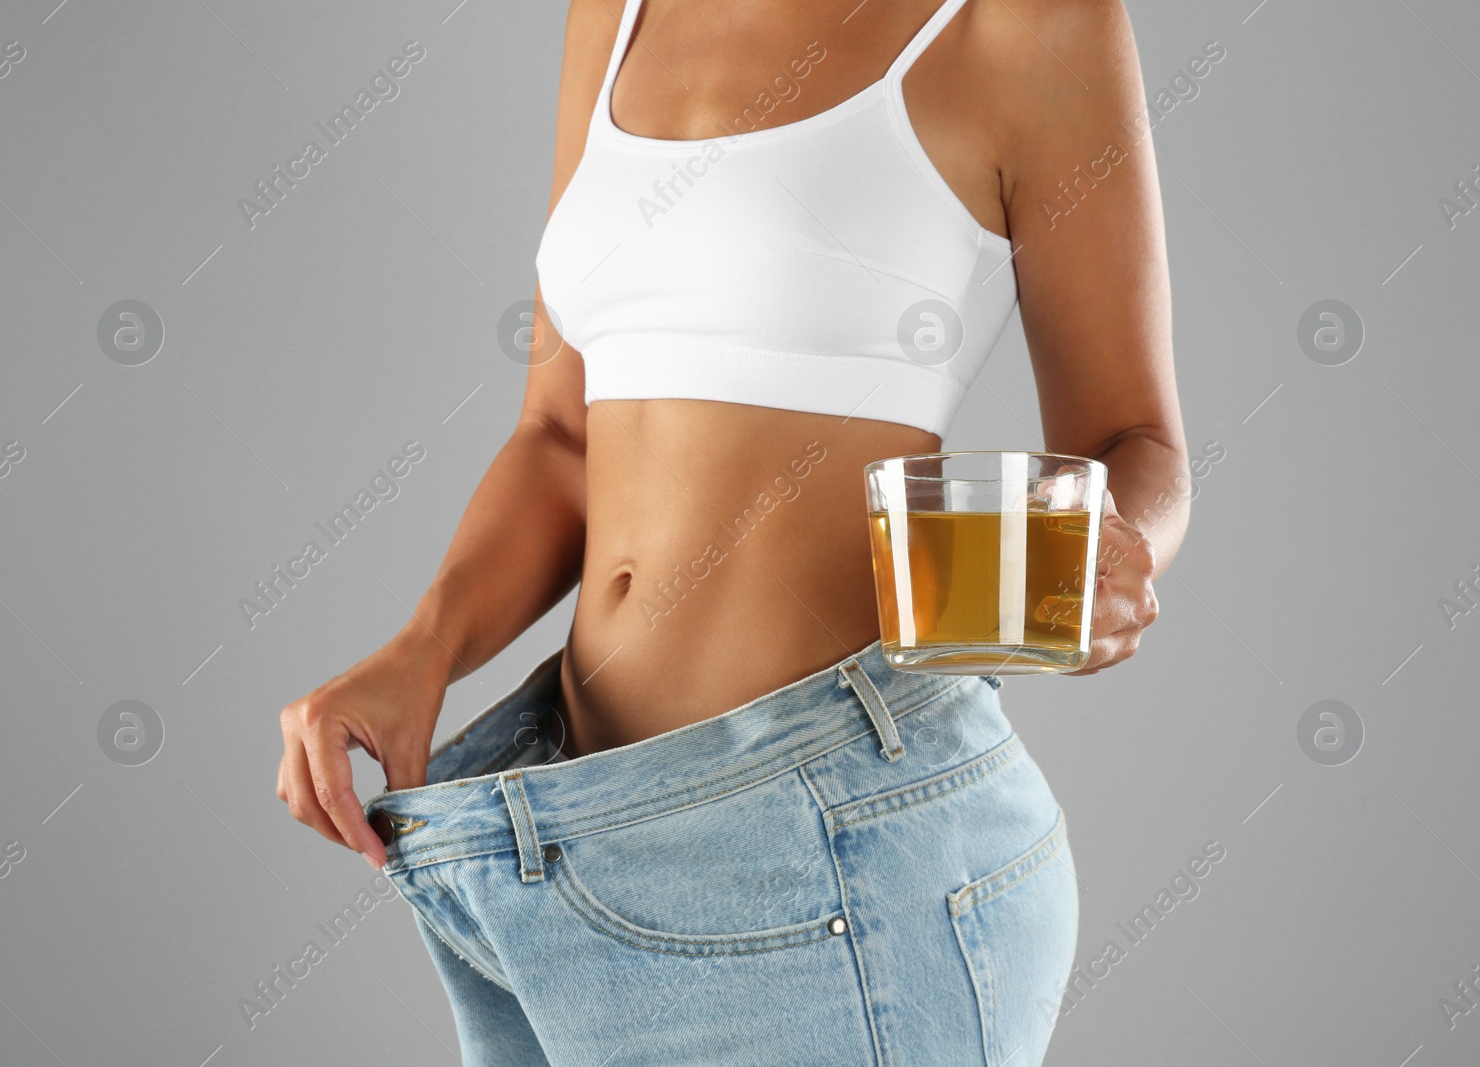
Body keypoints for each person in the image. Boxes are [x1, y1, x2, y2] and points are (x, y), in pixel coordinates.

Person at [278, 0, 1182, 1061]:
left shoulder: (1020, 21)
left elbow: (1135, 438)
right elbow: (560, 437)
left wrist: (1109, 555)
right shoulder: (612, 14)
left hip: (835, 839)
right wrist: (419, 651)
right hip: (562, 841)